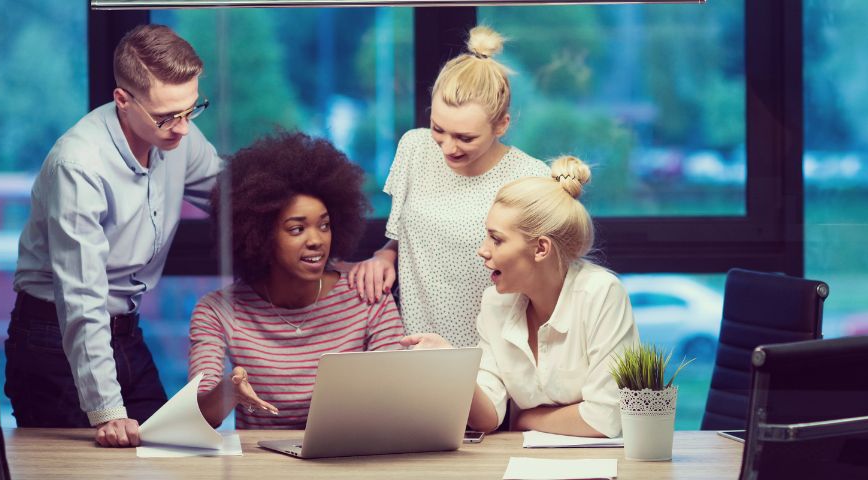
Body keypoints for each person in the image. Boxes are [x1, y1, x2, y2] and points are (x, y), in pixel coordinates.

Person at [6, 24, 221, 447]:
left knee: (174, 452)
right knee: (91, 472)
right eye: (167, 117)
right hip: (54, 339)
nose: (182, 128)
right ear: (122, 100)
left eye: (191, 110)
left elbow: (235, 195)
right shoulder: (79, 165)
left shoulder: (179, 134)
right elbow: (81, 297)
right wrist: (106, 410)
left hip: (125, 333)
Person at [403, 156, 640, 438]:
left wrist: (526, 419)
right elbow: (489, 416)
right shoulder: (495, 303)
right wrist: (450, 365)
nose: (482, 250)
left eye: (496, 239)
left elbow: (605, 419)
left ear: (541, 248)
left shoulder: (601, 293)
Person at [346, 25, 549, 348]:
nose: (448, 147)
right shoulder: (414, 147)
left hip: (496, 350)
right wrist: (385, 256)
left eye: (465, 138)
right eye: (438, 128)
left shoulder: (530, 175)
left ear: (502, 125)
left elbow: (543, 275)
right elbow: (411, 236)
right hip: (416, 345)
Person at [188, 132, 405, 430]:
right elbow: (197, 417)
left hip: (350, 460)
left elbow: (398, 398)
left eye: (324, 225)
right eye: (296, 229)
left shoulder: (365, 291)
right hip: (262, 469)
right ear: (260, 235)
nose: (316, 240)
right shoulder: (218, 310)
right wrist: (229, 391)